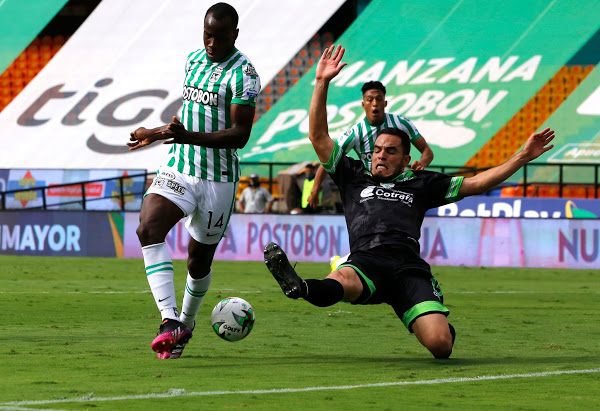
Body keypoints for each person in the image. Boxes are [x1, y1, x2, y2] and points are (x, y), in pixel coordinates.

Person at [264, 45, 554, 359]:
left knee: (441, 347)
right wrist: (321, 83)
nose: (381, 155)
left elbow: (478, 182)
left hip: (407, 268)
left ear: (406, 160)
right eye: (377, 150)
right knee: (341, 280)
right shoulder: (353, 175)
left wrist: (522, 157)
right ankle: (298, 285)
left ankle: (429, 312)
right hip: (365, 260)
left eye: (390, 151)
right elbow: (319, 137)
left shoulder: (422, 182)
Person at [127, 2, 260, 359]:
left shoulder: (244, 74)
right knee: (148, 228)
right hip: (180, 168)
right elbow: (186, 116)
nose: (211, 43)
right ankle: (169, 321)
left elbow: (239, 135)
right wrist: (155, 133)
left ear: (234, 34)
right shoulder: (192, 61)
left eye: (219, 37)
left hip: (218, 180)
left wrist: (189, 137)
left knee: (198, 261)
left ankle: (185, 324)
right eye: (207, 35)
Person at [306, 80, 434, 210]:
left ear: (385, 103)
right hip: (370, 188)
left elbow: (427, 151)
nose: (375, 104)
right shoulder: (356, 132)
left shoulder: (401, 123)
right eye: (369, 100)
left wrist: (422, 163)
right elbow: (328, 159)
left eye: (379, 99)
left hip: (399, 187)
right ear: (363, 104)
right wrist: (315, 190)